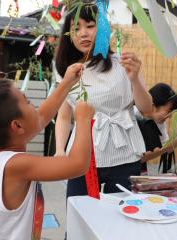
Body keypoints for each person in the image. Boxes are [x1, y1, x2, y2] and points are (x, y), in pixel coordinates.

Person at [0, 66, 95, 240]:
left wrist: (67, 82)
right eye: (27, 101)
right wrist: (83, 120)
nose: (34, 106)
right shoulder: (17, 165)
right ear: (17, 126)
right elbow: (78, 165)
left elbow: (41, 118)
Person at [54, 2, 153, 197]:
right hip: (81, 156)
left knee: (121, 218)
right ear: (69, 35)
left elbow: (146, 108)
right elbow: (64, 116)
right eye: (76, 28)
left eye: (90, 26)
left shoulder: (123, 64)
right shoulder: (66, 71)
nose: (83, 33)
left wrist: (134, 79)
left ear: (102, 29)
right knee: (79, 215)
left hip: (124, 154)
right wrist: (59, 151)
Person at [135, 83, 177, 174]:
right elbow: (137, 159)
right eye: (169, 111)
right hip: (124, 170)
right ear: (153, 105)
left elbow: (165, 147)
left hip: (140, 169)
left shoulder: (159, 122)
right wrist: (171, 145)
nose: (170, 116)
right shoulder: (133, 117)